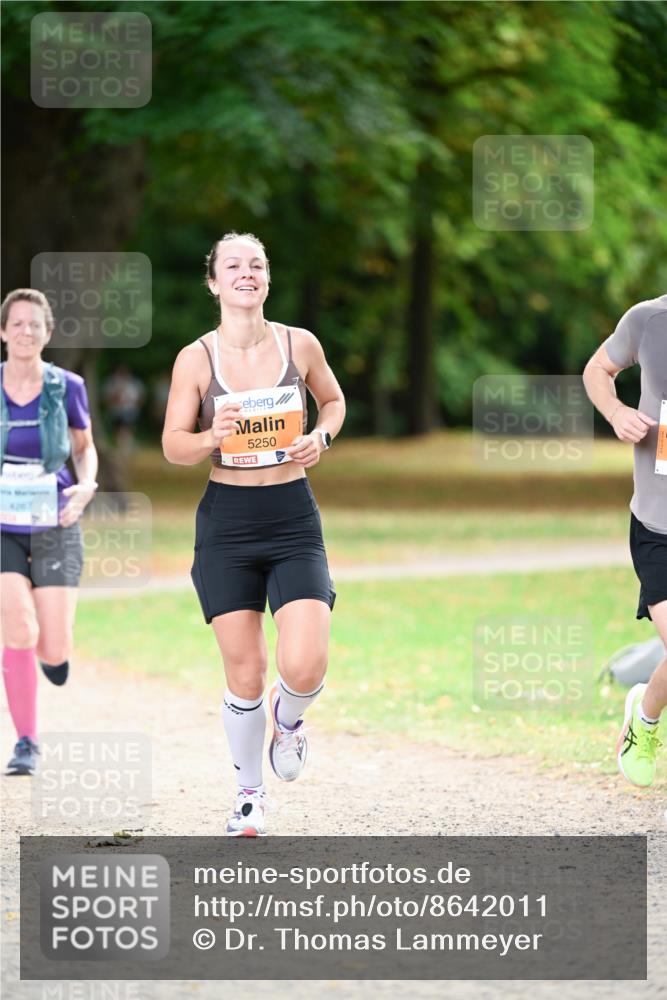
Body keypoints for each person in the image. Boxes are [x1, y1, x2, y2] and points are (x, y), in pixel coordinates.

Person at [162, 232, 345, 835]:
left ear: (268, 280)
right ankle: (248, 795)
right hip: (227, 524)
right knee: (245, 674)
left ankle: (288, 722)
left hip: (293, 517)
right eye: (233, 265)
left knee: (307, 664)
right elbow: (172, 446)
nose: (247, 273)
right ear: (213, 282)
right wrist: (213, 436)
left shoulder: (301, 344)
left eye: (257, 265)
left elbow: (335, 403)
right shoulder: (196, 359)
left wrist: (320, 437)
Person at [0, 288, 98, 775]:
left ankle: (52, 655)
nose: (25, 331)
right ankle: (26, 742)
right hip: (3, 527)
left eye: (34, 324)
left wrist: (86, 486)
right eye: (16, 323)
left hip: (56, 521)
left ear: (48, 332)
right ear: (3, 332)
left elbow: (84, 447)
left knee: (53, 646)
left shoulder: (68, 387)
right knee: (19, 624)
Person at [583, 294, 667, 787]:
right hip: (658, 524)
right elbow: (598, 369)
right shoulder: (647, 320)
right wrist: (615, 414)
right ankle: (647, 719)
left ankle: (645, 710)